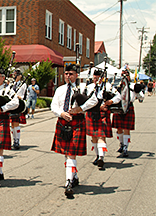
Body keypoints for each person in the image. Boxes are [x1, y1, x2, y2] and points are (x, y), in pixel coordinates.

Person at [50, 64, 98, 198]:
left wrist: (80, 108)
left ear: (76, 75)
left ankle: (68, 182)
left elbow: (94, 100)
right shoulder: (60, 89)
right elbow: (53, 105)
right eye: (66, 74)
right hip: (63, 120)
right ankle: (74, 176)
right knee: (67, 153)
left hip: (77, 121)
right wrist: (61, 113)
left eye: (71, 74)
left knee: (71, 152)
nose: (68, 76)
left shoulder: (83, 88)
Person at [84, 70, 121, 170]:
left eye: (97, 78)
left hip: (103, 114)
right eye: (94, 78)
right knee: (94, 137)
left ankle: (101, 157)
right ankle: (97, 156)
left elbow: (119, 96)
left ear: (102, 78)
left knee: (101, 135)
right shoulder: (89, 87)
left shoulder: (108, 86)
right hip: (91, 113)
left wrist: (110, 101)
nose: (95, 80)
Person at [112, 70, 144, 157]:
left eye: (126, 75)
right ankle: (122, 144)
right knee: (119, 129)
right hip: (119, 107)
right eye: (123, 75)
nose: (125, 77)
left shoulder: (133, 86)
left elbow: (141, 96)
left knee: (126, 128)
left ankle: (125, 148)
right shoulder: (117, 86)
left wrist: (138, 93)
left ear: (129, 77)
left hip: (128, 107)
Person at [9, 69, 27, 150]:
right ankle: (14, 140)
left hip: (19, 104)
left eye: (16, 75)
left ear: (20, 76)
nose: (15, 76)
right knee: (12, 124)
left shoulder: (23, 85)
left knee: (16, 123)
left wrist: (20, 97)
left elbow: (25, 95)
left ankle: (17, 141)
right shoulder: (11, 84)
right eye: (14, 74)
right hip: (11, 104)